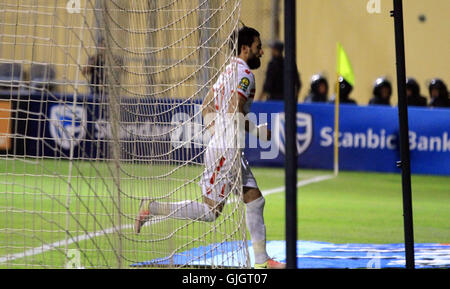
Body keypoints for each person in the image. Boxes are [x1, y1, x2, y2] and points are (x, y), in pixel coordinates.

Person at [134, 26, 285, 269]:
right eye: (258, 48)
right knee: (210, 211)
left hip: (227, 147)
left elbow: (207, 105)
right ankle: (152, 209)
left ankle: (261, 261)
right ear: (245, 49)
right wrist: (259, 132)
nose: (261, 53)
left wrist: (217, 132)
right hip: (227, 150)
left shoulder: (226, 72)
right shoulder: (245, 74)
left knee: (255, 201)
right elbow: (234, 109)